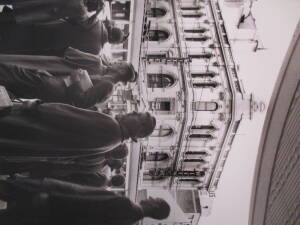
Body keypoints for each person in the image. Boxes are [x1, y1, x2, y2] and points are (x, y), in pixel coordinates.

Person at [0, 101, 156, 167]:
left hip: (33, 126)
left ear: (139, 131)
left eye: (138, 115)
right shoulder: (113, 141)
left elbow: (68, 115)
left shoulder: (111, 126)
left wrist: (39, 107)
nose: (134, 111)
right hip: (35, 141)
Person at [0, 177, 170, 225]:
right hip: (51, 218)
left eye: (154, 199)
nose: (150, 197)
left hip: (51, 200)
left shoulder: (125, 204)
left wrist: (52, 197)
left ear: (155, 205)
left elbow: (85, 202)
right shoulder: (129, 220)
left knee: (8, 189)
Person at [0, 62, 137, 108]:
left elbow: (81, 101)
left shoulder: (108, 86)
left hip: (51, 90)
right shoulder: (107, 80)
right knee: (12, 78)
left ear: (121, 70)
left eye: (120, 63)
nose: (117, 62)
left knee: (12, 73)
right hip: (51, 85)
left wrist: (75, 78)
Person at [0, 16, 125, 56]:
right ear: (112, 42)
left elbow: (72, 18)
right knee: (19, 48)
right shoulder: (96, 52)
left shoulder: (96, 23)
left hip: (51, 28)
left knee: (17, 31)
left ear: (112, 29)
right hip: (50, 49)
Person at [0, 0, 104, 25]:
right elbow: (81, 24)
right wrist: (97, 14)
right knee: (18, 16)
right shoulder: (82, 12)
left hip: (44, 3)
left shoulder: (81, 8)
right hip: (46, 13)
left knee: (18, 3)